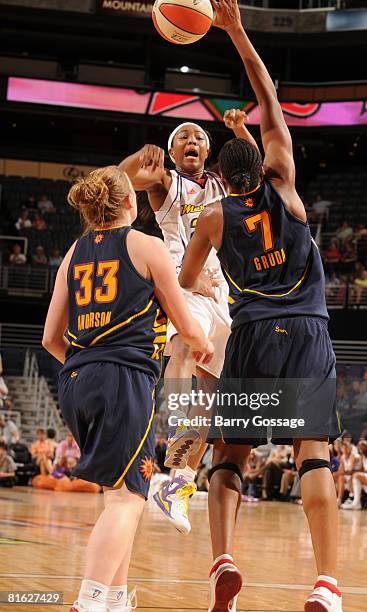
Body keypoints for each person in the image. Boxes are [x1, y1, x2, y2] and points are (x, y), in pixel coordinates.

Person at [177, 2, 342, 610]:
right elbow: (268, 96)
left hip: (250, 336)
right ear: (266, 161)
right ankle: (326, 582)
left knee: (229, 460)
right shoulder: (287, 188)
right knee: (312, 455)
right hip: (306, 333)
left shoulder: (215, 217)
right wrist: (236, 30)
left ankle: (224, 559)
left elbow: (189, 280)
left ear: (221, 176)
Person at [42, 164, 213, 612]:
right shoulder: (147, 246)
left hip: (75, 380)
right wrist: (204, 346)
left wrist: (88, 365)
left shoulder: (74, 252)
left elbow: (49, 339)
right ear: (131, 203)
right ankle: (90, 601)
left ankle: (116, 598)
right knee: (128, 498)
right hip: (122, 379)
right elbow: (187, 325)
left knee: (117, 492)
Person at [119, 109, 256, 533]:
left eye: (199, 136)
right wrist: (137, 160)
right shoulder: (166, 185)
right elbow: (117, 183)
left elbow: (253, 168)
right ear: (174, 153)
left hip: (222, 294)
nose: (192, 140)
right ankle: (175, 422)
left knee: (213, 395)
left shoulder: (222, 184)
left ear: (208, 150)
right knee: (181, 348)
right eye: (184, 138)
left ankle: (178, 483)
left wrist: (238, 129)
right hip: (185, 285)